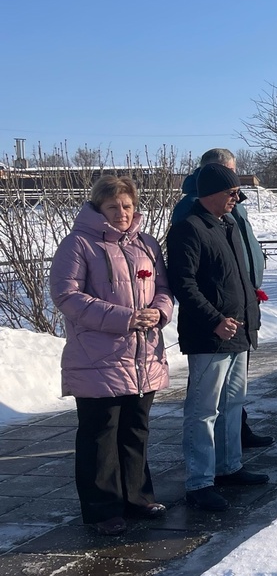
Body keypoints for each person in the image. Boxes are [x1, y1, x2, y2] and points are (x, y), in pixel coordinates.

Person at [50, 175, 172, 535]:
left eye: (127, 205)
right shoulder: (77, 244)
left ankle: (138, 498)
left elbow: (163, 288)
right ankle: (102, 509)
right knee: (100, 435)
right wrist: (125, 318)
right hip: (96, 358)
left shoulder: (147, 244)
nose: (122, 212)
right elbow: (67, 297)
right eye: (113, 206)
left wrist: (159, 312)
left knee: (136, 430)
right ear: (98, 208)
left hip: (141, 356)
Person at [167, 162, 267, 512]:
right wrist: (214, 320)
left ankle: (228, 466)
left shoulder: (227, 225)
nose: (236, 198)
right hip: (210, 336)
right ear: (210, 194)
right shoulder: (188, 229)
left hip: (238, 331)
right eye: (231, 192)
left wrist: (249, 316)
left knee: (232, 404)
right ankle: (199, 481)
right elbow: (184, 283)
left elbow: (239, 277)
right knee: (203, 410)